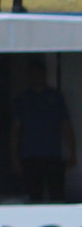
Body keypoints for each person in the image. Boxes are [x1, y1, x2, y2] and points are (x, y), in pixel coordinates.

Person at [11, 60, 74, 201]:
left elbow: (65, 125)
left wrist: (73, 150)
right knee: (34, 195)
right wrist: (15, 157)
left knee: (57, 193)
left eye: (40, 74)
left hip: (52, 154)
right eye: (33, 74)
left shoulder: (55, 97)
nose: (37, 77)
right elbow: (16, 130)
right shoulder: (23, 99)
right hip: (30, 154)